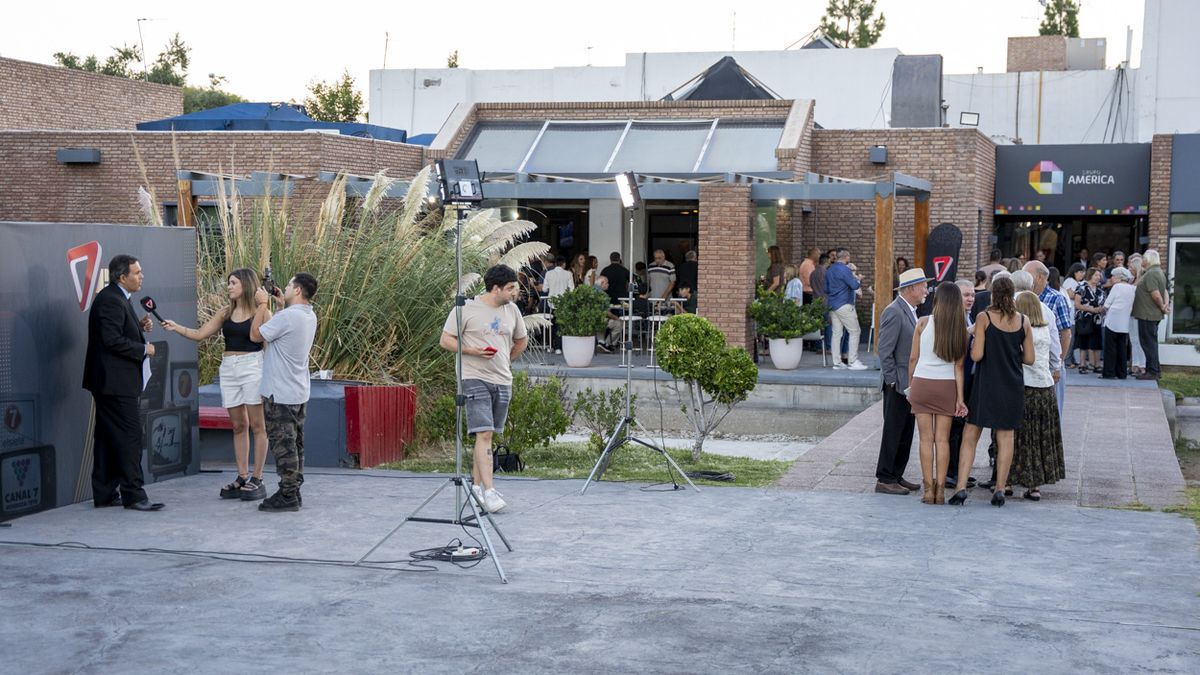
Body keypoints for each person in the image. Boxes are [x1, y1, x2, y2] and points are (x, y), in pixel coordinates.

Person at [163, 268, 270, 501]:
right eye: (228, 283)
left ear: (246, 284)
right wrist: (176, 327)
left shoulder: (262, 311)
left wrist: (269, 378)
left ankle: (258, 477)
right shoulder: (225, 312)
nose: (229, 286)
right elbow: (200, 334)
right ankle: (242, 476)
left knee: (257, 425)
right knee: (238, 425)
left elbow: (268, 346)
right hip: (229, 368)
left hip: (253, 367)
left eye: (233, 283)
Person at [439, 265, 529, 513]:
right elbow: (445, 340)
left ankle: (477, 488)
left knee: (487, 436)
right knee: (485, 433)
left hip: (502, 379)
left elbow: (521, 340)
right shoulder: (465, 308)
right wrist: (472, 351)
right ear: (495, 288)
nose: (514, 292)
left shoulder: (512, 310)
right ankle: (489, 491)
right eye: (510, 288)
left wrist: (507, 359)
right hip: (473, 377)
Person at [82, 254, 164, 511]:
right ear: (122, 277)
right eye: (137, 273)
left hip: (111, 382)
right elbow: (111, 340)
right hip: (115, 383)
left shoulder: (117, 297)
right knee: (130, 437)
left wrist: (137, 327)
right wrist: (144, 348)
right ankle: (134, 495)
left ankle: (105, 493)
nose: (141, 277)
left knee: (107, 437)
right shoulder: (111, 300)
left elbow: (115, 332)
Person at [949, 277, 1035, 508]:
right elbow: (1030, 358)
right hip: (1012, 385)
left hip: (986, 384)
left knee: (970, 436)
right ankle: (999, 489)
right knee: (1006, 437)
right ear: (1012, 294)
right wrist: (1011, 352)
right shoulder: (1024, 321)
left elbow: (976, 355)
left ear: (993, 295)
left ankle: (960, 488)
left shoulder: (984, 317)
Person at [250, 272, 319, 512]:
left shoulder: (289, 317)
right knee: (296, 444)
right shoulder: (308, 315)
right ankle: (294, 490)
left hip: (279, 393)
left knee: (283, 445)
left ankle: (287, 494)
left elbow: (256, 335)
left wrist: (262, 305)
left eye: (290, 284)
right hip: (297, 391)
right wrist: (279, 306)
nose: (285, 287)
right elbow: (283, 332)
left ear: (298, 290)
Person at [906, 281, 969, 504]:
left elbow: (913, 358)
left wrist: (911, 385)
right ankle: (941, 491)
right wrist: (960, 399)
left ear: (937, 300)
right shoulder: (961, 329)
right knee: (942, 440)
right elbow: (959, 367)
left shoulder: (923, 323)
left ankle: (927, 490)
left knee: (925, 439)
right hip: (947, 386)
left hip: (922, 383)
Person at [874, 268, 930, 495]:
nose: (927, 290)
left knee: (906, 431)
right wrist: (892, 381)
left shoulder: (911, 310)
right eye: (923, 286)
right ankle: (885, 478)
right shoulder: (894, 311)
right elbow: (884, 350)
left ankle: (896, 475)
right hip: (898, 384)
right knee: (893, 431)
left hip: (909, 384)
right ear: (911, 288)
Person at [1010, 291, 1065, 502]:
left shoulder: (1019, 330)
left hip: (1024, 385)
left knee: (1019, 435)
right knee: (1041, 436)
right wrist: (1056, 368)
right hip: (1045, 386)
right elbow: (1055, 353)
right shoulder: (1044, 329)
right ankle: (1035, 485)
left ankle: (1009, 480)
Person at [1025, 261, 1071, 417]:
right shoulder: (1023, 298)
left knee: (1053, 409)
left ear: (1039, 277)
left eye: (1028, 275)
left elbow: (1065, 333)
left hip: (1051, 363)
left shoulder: (1056, 298)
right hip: (1031, 364)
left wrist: (1058, 364)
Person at [946, 279, 978, 490]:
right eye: (966, 295)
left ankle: (959, 469)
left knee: (962, 425)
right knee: (953, 427)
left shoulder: (969, 316)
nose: (970, 299)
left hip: (968, 378)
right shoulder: (953, 318)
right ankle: (950, 472)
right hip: (955, 379)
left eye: (972, 295)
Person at [826, 249, 867, 370]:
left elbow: (826, 289)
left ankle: (837, 362)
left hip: (833, 304)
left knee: (836, 333)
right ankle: (853, 361)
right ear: (846, 257)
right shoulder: (845, 269)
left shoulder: (830, 269)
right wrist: (858, 279)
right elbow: (854, 285)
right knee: (855, 331)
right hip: (844, 304)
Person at [1132, 249, 1170, 381]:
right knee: (1151, 343)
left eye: (1143, 258)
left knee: (1148, 344)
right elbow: (1164, 291)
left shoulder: (1151, 274)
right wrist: (1165, 305)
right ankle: (1155, 370)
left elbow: (1156, 294)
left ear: (1148, 260)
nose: (1142, 261)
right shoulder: (1157, 272)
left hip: (1147, 314)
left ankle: (1152, 372)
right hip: (1150, 313)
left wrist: (1162, 306)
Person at [1100, 266, 1136, 380]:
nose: (1111, 278)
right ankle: (1121, 372)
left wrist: (1102, 310)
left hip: (1113, 320)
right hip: (1124, 322)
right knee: (1122, 348)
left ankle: (1109, 372)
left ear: (1119, 277)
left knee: (1110, 347)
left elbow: (1107, 304)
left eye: (1113, 276)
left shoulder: (1117, 287)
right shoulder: (1132, 288)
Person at [1074, 267, 1105, 374]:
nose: (1098, 277)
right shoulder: (1082, 287)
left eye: (1099, 275)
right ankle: (1082, 365)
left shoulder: (1100, 289)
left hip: (1097, 319)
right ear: (1090, 275)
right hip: (1084, 318)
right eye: (1096, 275)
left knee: (1097, 341)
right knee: (1083, 341)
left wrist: (1101, 309)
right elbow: (1077, 304)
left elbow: (1103, 302)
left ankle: (1097, 365)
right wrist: (1090, 309)